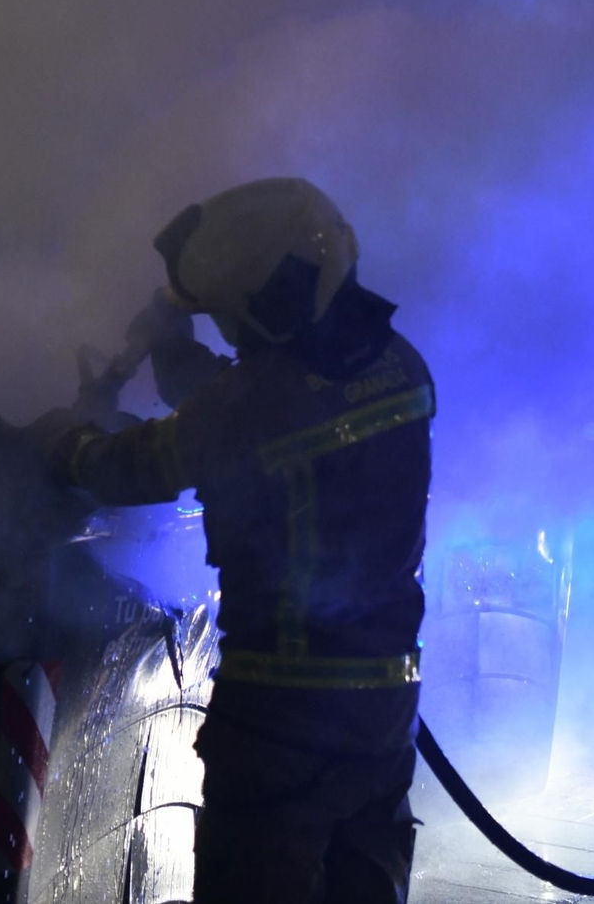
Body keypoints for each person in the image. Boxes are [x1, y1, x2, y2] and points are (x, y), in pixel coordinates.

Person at [37, 177, 434, 903]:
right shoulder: (398, 364)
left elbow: (136, 464)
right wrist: (176, 350)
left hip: (279, 724)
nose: (233, 335)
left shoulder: (249, 406)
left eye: (236, 320)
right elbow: (255, 405)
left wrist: (68, 443)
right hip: (381, 712)